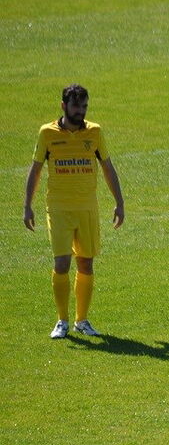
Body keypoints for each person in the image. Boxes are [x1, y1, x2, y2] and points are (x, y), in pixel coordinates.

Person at [23, 84, 125, 339]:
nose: (81, 111)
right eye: (76, 106)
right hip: (58, 208)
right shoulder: (47, 134)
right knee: (61, 263)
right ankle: (62, 321)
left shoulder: (95, 132)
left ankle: (82, 320)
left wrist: (119, 201)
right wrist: (27, 205)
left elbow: (108, 168)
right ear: (64, 106)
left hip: (87, 208)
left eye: (84, 106)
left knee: (86, 263)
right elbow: (35, 170)